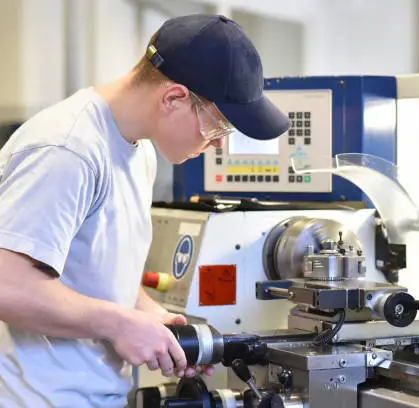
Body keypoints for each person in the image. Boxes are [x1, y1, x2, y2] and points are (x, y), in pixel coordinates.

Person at [0, 14, 290, 408]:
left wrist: (149, 316)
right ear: (174, 98)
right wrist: (118, 324)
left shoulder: (140, 153)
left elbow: (93, 269)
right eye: (218, 126)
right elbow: (8, 286)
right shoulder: (68, 150)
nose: (218, 145)